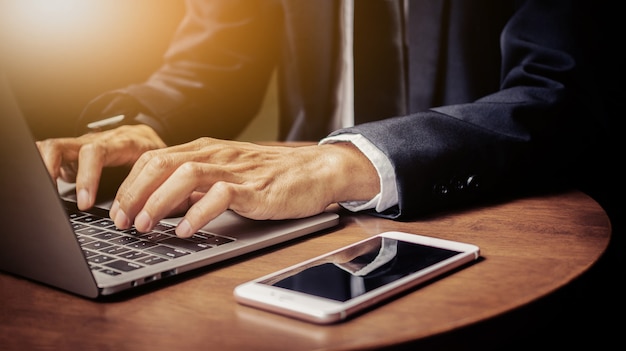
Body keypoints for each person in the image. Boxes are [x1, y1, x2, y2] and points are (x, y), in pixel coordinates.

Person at [35, 0, 616, 240]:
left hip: (481, 213)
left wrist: (348, 159)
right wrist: (139, 122)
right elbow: (215, 60)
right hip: (283, 217)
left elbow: (560, 91)